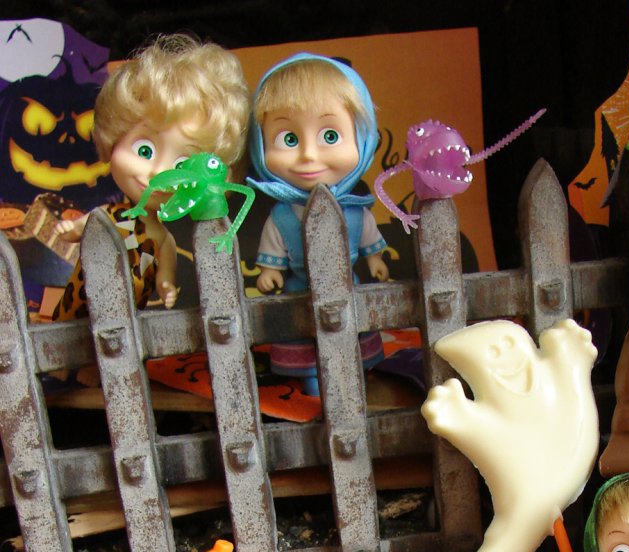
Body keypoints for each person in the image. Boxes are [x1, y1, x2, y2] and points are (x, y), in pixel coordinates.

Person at [53, 34, 250, 320]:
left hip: (130, 317)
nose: (158, 171)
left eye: (181, 164)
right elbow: (82, 229)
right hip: (84, 303)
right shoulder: (110, 216)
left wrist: (165, 285)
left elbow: (164, 273)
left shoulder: (162, 237)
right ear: (112, 136)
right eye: (144, 150)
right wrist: (70, 228)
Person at [247, 52, 389, 395]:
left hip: (347, 288)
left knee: (355, 337)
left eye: (329, 136)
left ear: (362, 137)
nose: (309, 155)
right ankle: (313, 380)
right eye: (289, 139)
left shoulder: (355, 210)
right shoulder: (282, 215)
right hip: (300, 292)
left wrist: (374, 259)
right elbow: (273, 246)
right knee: (305, 342)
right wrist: (270, 271)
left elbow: (368, 236)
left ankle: (359, 371)